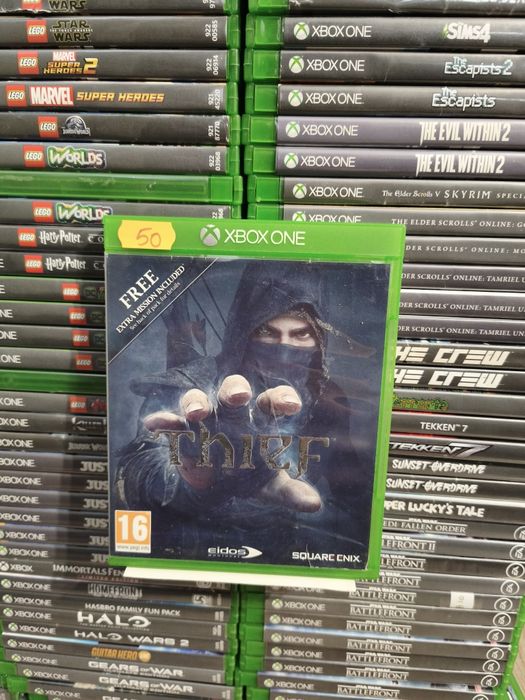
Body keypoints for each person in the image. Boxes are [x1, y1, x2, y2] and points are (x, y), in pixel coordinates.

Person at [114, 260, 369, 563]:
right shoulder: (191, 386)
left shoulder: (327, 401)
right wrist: (191, 482)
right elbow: (135, 474)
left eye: (301, 334)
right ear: (245, 331)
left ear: (319, 340)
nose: (284, 348)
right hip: (192, 554)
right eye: (267, 332)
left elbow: (352, 494)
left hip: (282, 558)